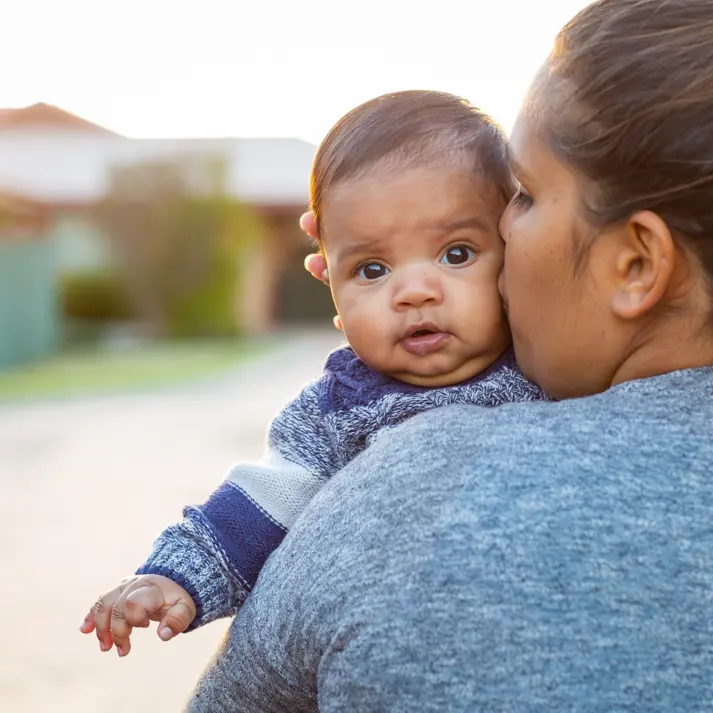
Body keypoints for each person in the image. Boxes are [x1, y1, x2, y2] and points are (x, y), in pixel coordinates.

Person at [181, 0, 713, 710]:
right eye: (377, 266)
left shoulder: (411, 490)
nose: (497, 233)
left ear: (636, 264)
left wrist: (376, 272)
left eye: (519, 194)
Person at [79, 91, 546, 656]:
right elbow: (260, 504)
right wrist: (174, 576)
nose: (414, 291)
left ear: (516, 250)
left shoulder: (550, 364)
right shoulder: (338, 409)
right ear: (331, 285)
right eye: (371, 269)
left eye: (457, 254)